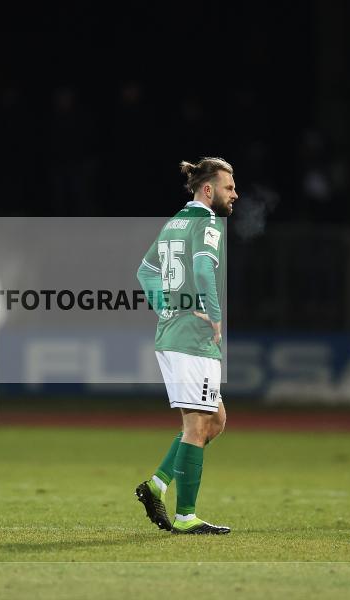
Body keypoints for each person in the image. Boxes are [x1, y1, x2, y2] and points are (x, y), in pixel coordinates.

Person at [134, 157, 236, 535]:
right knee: (196, 426)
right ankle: (186, 516)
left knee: (215, 421)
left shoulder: (174, 222)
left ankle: (156, 486)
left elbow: (145, 271)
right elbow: (204, 268)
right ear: (208, 190)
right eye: (229, 187)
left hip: (174, 335)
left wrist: (165, 307)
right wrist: (214, 314)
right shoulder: (207, 222)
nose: (235, 194)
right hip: (192, 338)